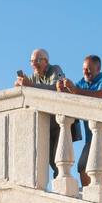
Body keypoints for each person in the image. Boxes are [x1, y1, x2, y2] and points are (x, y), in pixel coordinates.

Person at [57, 55, 102, 187]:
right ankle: (90, 196)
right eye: (84, 69)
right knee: (83, 166)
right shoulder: (81, 83)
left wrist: (75, 90)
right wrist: (62, 90)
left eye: (89, 69)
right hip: (91, 138)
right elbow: (71, 97)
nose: (85, 72)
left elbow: (101, 95)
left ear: (98, 68)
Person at [15, 48, 74, 178]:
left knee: (59, 157)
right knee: (48, 159)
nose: (34, 64)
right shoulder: (32, 77)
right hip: (44, 123)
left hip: (59, 122)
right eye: (31, 61)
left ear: (46, 61)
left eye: (37, 60)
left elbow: (55, 88)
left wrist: (30, 86)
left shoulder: (55, 69)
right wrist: (19, 87)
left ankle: (63, 184)